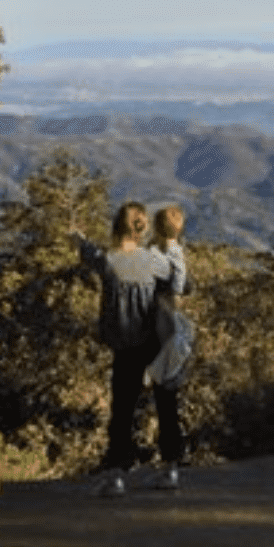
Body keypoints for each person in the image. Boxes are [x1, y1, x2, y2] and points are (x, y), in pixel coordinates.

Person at [76, 201, 185, 497]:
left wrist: (78, 236)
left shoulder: (108, 260)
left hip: (127, 347)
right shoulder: (152, 260)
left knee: (123, 409)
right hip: (157, 341)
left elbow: (89, 254)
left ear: (116, 227)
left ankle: (117, 475)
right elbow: (176, 280)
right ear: (142, 228)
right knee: (166, 404)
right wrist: (171, 242)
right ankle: (170, 469)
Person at [143, 205, 195, 483]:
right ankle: (171, 462)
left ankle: (169, 462)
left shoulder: (159, 256)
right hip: (171, 335)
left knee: (163, 400)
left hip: (158, 333)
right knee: (167, 399)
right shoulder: (176, 254)